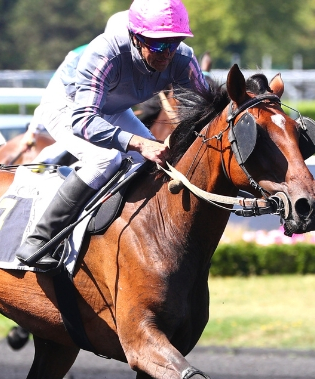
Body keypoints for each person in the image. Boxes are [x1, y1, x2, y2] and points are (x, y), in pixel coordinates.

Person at [15, 0, 209, 270]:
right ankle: (39, 239)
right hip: (69, 105)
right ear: (136, 37)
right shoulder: (105, 52)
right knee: (104, 160)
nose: (167, 54)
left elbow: (206, 110)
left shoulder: (183, 57)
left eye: (174, 42)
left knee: (156, 162)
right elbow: (84, 121)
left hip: (113, 108)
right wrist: (140, 143)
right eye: (158, 45)